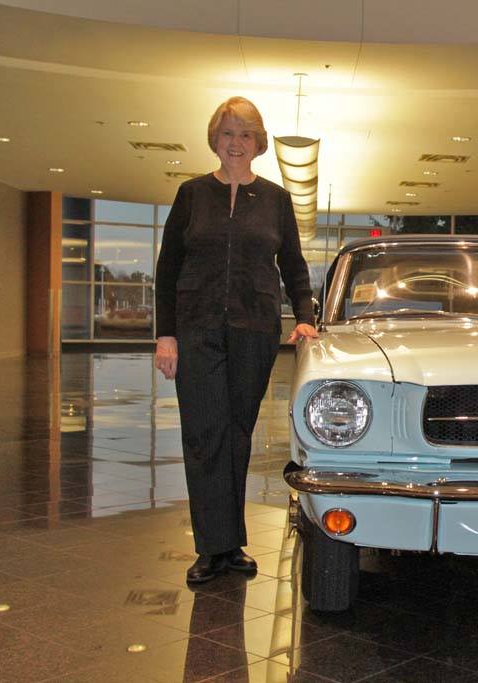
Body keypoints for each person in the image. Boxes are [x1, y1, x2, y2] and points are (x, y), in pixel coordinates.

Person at [154, 96, 318, 584]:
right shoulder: (191, 194)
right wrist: (167, 335)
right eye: (228, 133)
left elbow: (292, 265)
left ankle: (230, 543)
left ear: (259, 143)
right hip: (197, 329)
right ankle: (212, 548)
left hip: (254, 330)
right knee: (205, 433)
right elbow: (167, 270)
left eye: (245, 134)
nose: (236, 143)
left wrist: (305, 316)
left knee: (237, 433)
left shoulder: (275, 199)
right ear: (215, 139)